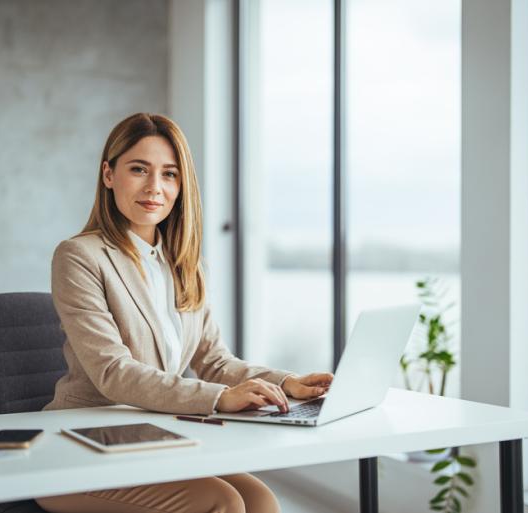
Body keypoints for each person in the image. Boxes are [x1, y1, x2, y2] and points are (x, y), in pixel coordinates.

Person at [35, 113, 333, 513]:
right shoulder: (79, 256)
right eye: (139, 169)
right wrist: (220, 399)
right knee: (221, 502)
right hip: (81, 445)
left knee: (261, 500)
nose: (154, 187)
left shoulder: (184, 264)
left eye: (169, 174)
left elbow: (213, 359)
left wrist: (288, 382)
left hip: (153, 437)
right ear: (108, 174)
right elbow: (112, 372)